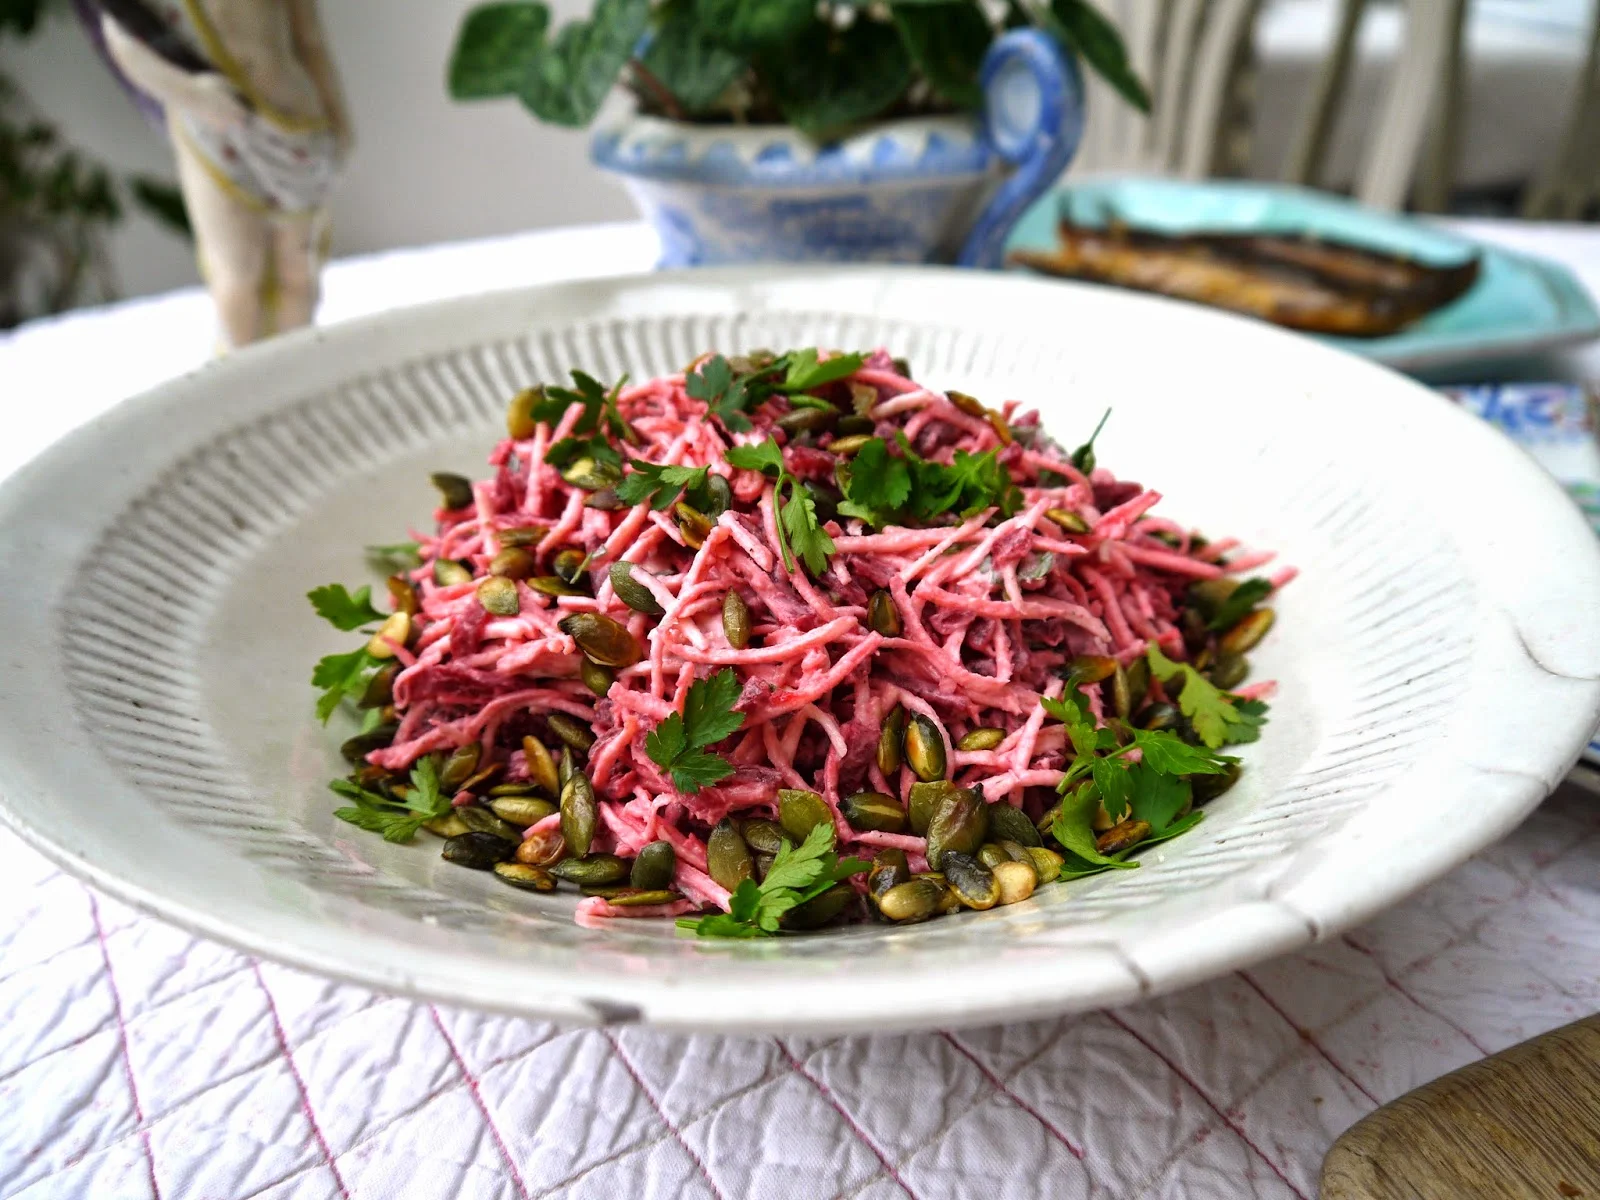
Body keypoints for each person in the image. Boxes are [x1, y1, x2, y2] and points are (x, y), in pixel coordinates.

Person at [98, 0, 351, 347]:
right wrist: (192, 94)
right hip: (210, 132)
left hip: (291, 125)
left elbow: (310, 40)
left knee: (297, 270)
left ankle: (297, 361)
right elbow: (126, 45)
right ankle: (240, 367)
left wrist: (338, 116)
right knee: (237, 272)